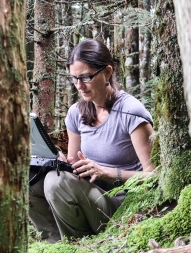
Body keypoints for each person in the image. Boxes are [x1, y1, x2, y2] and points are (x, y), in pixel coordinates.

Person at [29, 38, 155, 243]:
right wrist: (60, 161)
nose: (79, 85)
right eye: (74, 78)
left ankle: (80, 246)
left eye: (86, 77)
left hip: (124, 204)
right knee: (29, 179)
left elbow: (155, 176)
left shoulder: (131, 113)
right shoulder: (76, 113)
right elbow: (72, 163)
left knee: (55, 182)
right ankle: (55, 244)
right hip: (90, 195)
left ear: (107, 72)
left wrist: (107, 173)